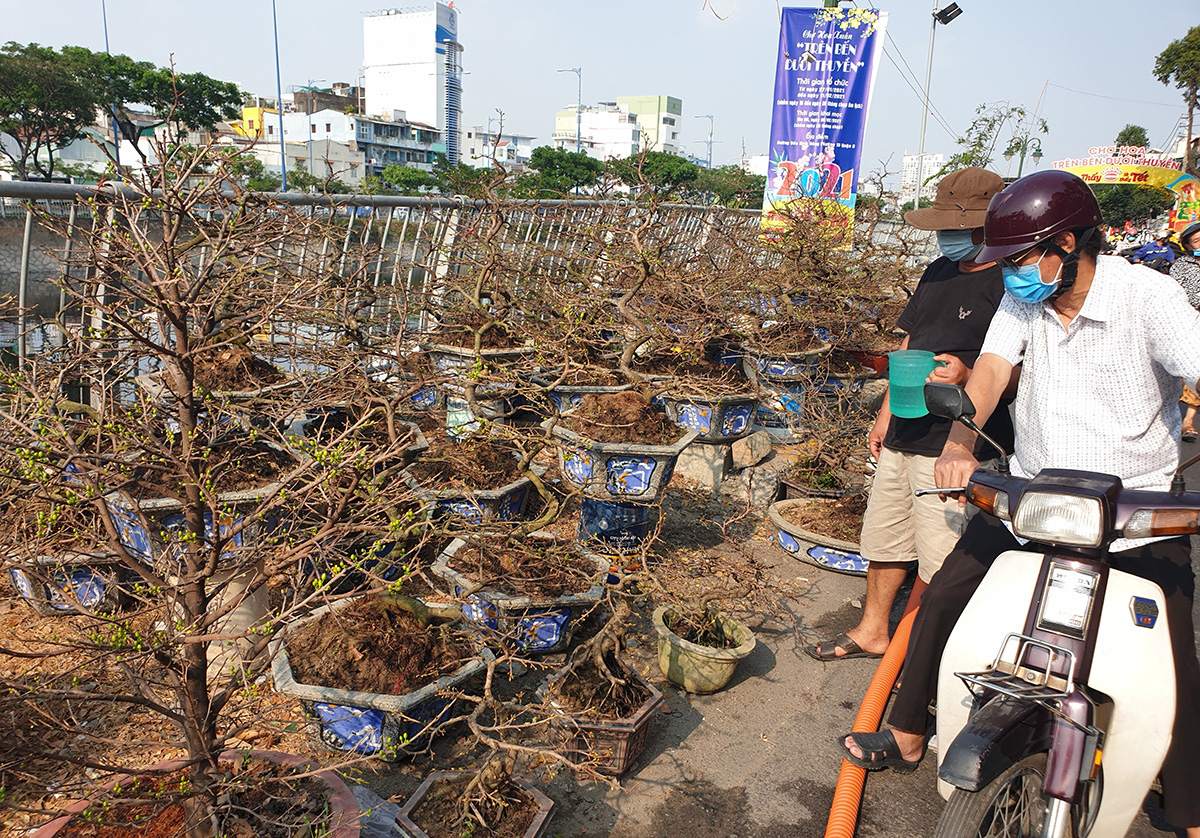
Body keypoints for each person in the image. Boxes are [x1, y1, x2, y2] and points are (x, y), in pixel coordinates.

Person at [837, 170, 1200, 835]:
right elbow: (994, 372)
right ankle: (911, 731)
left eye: (1021, 259)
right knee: (942, 596)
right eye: (1004, 263)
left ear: (1067, 243)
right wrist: (959, 443)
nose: (1009, 275)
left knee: (1176, 653)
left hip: (1134, 511)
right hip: (1034, 493)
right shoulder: (1023, 301)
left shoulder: (1150, 298)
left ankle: (1190, 805)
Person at [806, 168, 1015, 662]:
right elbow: (907, 346)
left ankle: (917, 654)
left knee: (942, 552)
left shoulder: (1011, 284)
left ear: (988, 225)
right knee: (886, 535)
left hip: (958, 442)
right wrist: (883, 416)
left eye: (955, 226)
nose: (947, 236)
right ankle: (873, 630)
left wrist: (967, 376)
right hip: (906, 425)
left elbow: (1018, 368)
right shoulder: (937, 272)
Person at [1170, 220, 1200, 441]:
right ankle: (1181, 419)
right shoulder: (1181, 267)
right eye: (1197, 240)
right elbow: (1179, 296)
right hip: (1188, 321)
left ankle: (1188, 420)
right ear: (1188, 245)